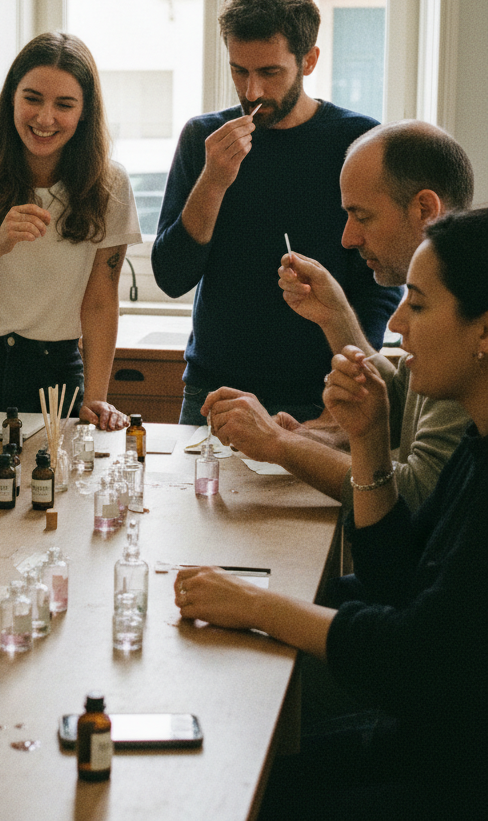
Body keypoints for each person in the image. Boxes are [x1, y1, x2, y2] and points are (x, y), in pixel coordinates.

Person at [174, 207, 488, 819]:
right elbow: (394, 581)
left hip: (454, 775)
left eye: (418, 306)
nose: (396, 324)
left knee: (242, 781)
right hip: (432, 740)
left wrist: (260, 606)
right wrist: (368, 438)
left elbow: (410, 659)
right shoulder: (477, 447)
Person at [152, 0, 401, 425]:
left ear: (309, 61)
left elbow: (382, 277)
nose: (251, 92)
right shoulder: (203, 140)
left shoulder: (357, 141)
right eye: (238, 71)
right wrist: (213, 181)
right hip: (215, 391)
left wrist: (356, 362)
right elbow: (171, 276)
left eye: (269, 72)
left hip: (323, 395)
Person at [203, 121, 474, 509]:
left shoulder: (465, 310)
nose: (348, 238)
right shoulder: (449, 289)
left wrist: (281, 445)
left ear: (425, 209)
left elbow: (417, 492)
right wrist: (335, 316)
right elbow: (398, 406)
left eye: (362, 217)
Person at [0, 32, 142, 430]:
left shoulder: (110, 186)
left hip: (53, 375)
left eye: (64, 105)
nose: (45, 118)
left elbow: (101, 303)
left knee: (56, 491)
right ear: (11, 99)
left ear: (85, 112)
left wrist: (96, 397)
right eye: (32, 98)